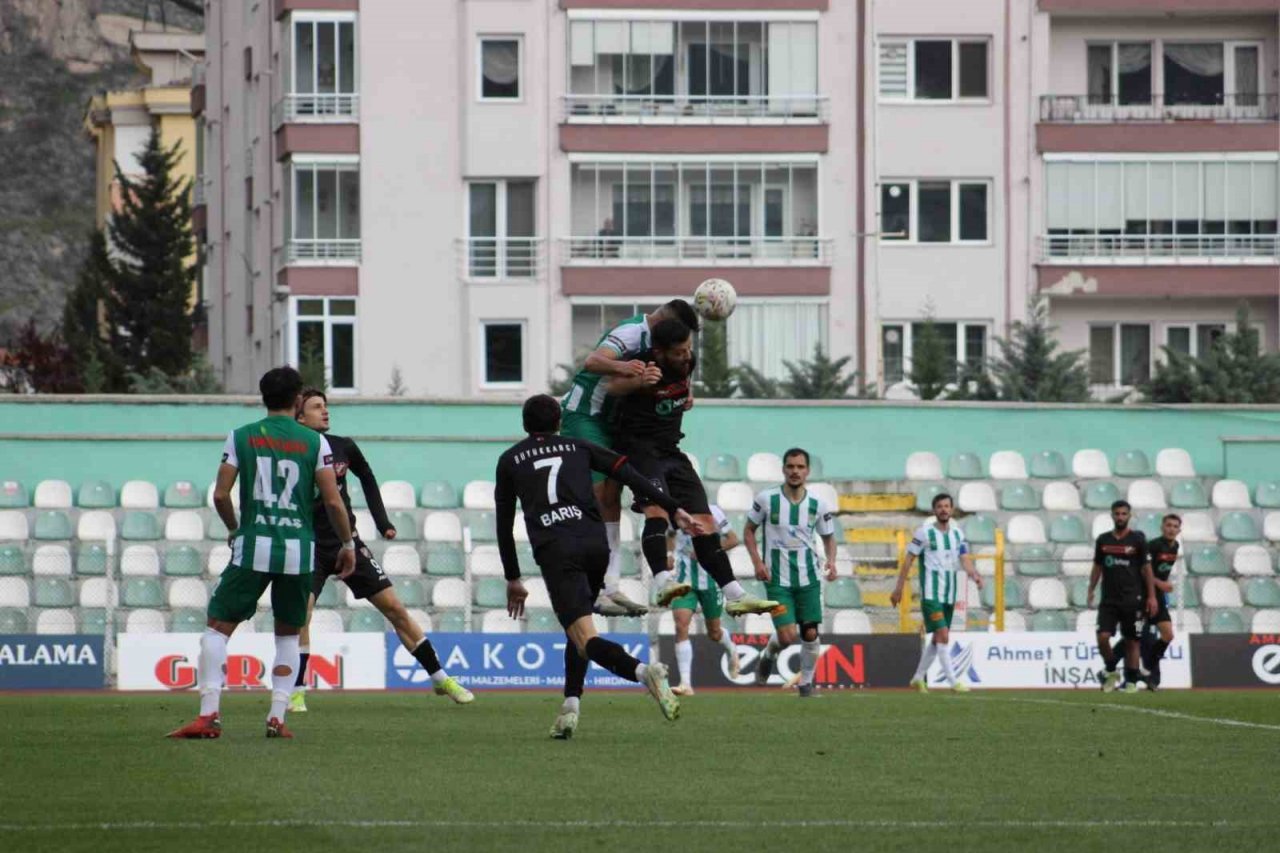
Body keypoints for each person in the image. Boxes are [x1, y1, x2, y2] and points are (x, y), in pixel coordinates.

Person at [496, 394, 704, 739]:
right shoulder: (579, 447)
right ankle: (570, 708)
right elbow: (631, 474)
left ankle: (643, 672)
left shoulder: (509, 460)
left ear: (524, 425)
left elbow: (504, 524)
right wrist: (674, 507)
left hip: (557, 550)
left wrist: (513, 577)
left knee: (584, 635)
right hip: (595, 546)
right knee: (578, 627)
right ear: (559, 422)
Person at [168, 367, 355, 739]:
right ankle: (277, 717)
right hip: (298, 550)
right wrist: (347, 544)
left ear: (263, 396)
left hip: (253, 546)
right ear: (297, 399)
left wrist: (235, 528)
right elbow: (333, 502)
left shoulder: (241, 436)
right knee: (288, 634)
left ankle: (208, 715)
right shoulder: (316, 444)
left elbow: (221, 494)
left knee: (218, 628)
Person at [289, 388, 471, 712]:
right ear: (299, 416)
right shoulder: (293, 452)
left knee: (395, 609)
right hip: (309, 545)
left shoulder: (343, 446)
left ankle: (440, 677)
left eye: (326, 405)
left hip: (348, 541)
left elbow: (368, 477)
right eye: (317, 407)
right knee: (301, 614)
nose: (326, 411)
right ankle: (297, 690)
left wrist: (382, 520)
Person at [605, 318, 781, 618]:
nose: (686, 355)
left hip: (672, 450)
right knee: (656, 513)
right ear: (659, 352)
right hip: (640, 450)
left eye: (689, 348)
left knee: (705, 521)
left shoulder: (688, 362)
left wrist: (686, 395)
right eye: (679, 351)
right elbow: (612, 387)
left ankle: (734, 594)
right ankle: (662, 582)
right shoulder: (643, 364)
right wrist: (638, 382)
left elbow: (682, 385)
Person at [560, 299, 703, 618]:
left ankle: (608, 585)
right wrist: (624, 367)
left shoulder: (661, 344)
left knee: (611, 497)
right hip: (586, 414)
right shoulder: (630, 333)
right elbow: (592, 361)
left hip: (614, 422)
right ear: (664, 320)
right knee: (598, 495)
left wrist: (683, 393)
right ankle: (590, 584)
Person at [744, 449, 839, 698]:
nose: (795, 471)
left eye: (800, 467)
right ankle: (769, 654)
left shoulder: (818, 504)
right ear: (784, 470)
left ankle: (805, 685)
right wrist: (757, 562)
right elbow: (748, 531)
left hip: (808, 578)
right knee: (787, 636)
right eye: (790, 466)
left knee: (810, 632)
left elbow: (829, 537)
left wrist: (831, 561)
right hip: (777, 580)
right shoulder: (766, 499)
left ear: (807, 470)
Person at [891, 493, 983, 693]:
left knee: (937, 638)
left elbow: (964, 558)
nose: (943, 509)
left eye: (947, 506)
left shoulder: (958, 534)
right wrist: (899, 587)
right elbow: (908, 560)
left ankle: (917, 678)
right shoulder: (924, 533)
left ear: (952, 509)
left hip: (950, 594)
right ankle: (953, 682)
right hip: (931, 594)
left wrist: (974, 574)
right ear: (934, 510)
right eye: (940, 506)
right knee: (942, 634)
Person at [1087, 500, 1158, 694]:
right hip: (1109, 600)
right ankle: (1111, 670)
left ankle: (1131, 682)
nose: (1120, 517)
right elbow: (1097, 566)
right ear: (1111, 515)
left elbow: (1146, 569)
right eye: (1117, 514)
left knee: (1132, 641)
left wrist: (1151, 597)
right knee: (1102, 637)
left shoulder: (1137, 540)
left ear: (1129, 516)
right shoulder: (1103, 540)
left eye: (1123, 514)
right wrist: (1091, 588)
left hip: (1133, 600)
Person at [670, 504, 742, 696]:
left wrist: (708, 550)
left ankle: (731, 650)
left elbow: (733, 539)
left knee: (714, 633)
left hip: (711, 579)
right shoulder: (673, 512)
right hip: (683, 580)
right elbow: (669, 534)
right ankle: (686, 683)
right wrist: (669, 555)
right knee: (681, 625)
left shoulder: (714, 511)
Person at [1139, 514, 1181, 690]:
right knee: (1138, 638)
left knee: (1168, 635)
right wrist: (1160, 584)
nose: (1171, 529)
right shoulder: (1154, 545)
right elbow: (1142, 569)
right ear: (1162, 527)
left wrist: (1162, 587)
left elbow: (1162, 571)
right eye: (1168, 525)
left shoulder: (1175, 546)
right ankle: (1134, 675)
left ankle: (1146, 668)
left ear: (1179, 530)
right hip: (1144, 594)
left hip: (1158, 595)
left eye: (1175, 526)